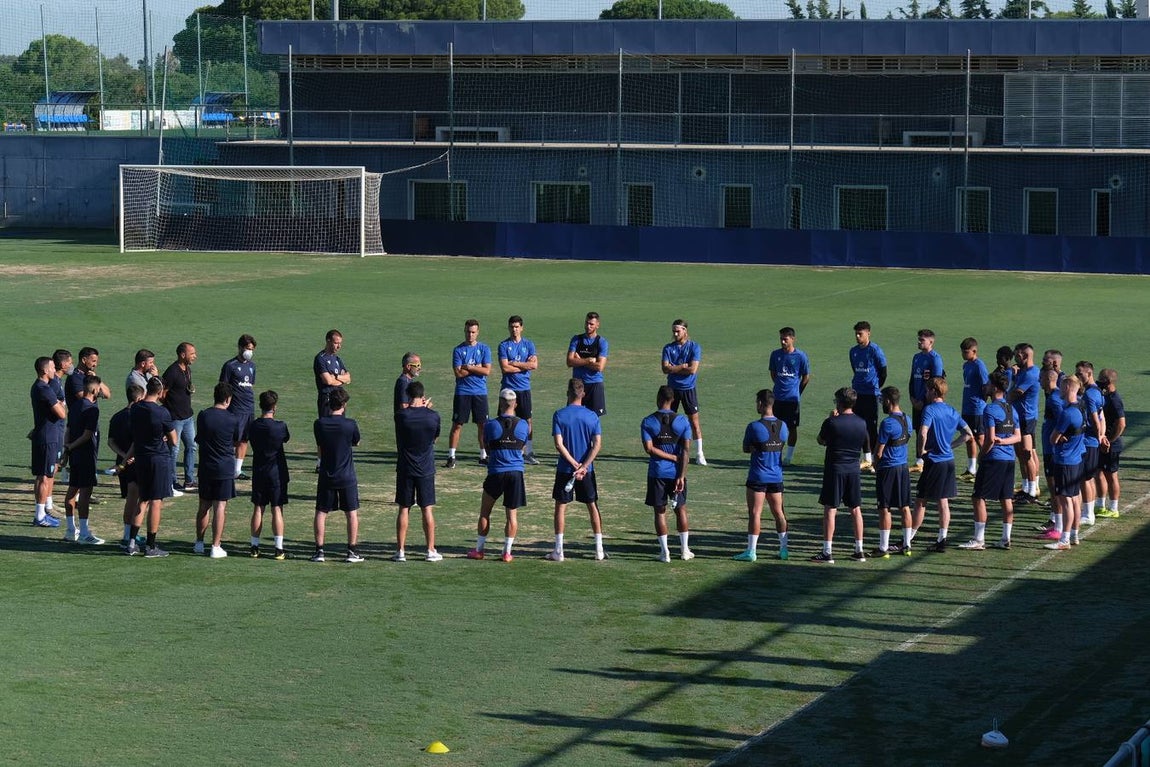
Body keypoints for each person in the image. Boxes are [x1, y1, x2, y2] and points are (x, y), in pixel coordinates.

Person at [466, 389, 531, 562]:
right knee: (512, 516)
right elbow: (523, 447)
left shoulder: (490, 425)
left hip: (496, 473)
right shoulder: (524, 425)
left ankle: (479, 549)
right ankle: (507, 552)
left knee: (485, 512)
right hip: (516, 473)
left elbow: (487, 447)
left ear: (500, 403)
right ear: (515, 404)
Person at [959, 371, 1021, 551]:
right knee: (1006, 498)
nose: (984, 386)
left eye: (987, 384)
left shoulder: (990, 409)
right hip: (1009, 459)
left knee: (978, 497)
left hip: (994, 459)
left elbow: (991, 438)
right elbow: (1017, 437)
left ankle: (979, 539)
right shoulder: (1011, 409)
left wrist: (982, 455)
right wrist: (1004, 441)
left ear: (994, 388)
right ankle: (1005, 538)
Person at [911, 378, 973, 553]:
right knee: (943, 501)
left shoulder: (929, 410)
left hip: (934, 461)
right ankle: (942, 539)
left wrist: (921, 450)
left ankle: (908, 537)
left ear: (933, 391)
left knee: (921, 500)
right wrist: (950, 446)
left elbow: (923, 432)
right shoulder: (952, 411)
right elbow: (968, 434)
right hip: (948, 461)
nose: (925, 393)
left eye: (927, 390)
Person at [548, 378, 607, 562]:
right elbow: (597, 445)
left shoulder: (559, 415)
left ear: (568, 393)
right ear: (583, 394)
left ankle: (559, 551)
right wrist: (584, 466)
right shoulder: (592, 417)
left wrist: (574, 464)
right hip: (586, 471)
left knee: (561, 507)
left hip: (566, 469)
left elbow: (559, 444)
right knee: (592, 506)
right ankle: (599, 550)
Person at [812, 387, 868, 563]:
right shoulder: (862, 423)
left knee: (830, 509)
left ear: (839, 403)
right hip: (853, 469)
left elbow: (821, 440)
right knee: (856, 509)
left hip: (835, 469)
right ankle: (859, 550)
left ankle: (827, 551)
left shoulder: (832, 423)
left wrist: (830, 419)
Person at [640, 385, 693, 563]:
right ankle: (685, 550)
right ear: (672, 401)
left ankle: (665, 553)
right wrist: (681, 475)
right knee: (681, 509)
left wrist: (668, 456)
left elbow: (649, 449)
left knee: (660, 512)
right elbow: (686, 451)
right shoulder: (683, 421)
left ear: (658, 399)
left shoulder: (648, 422)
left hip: (657, 473)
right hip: (677, 473)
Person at [735, 389, 789, 562]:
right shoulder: (783, 426)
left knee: (755, 513)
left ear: (760, 403)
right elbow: (781, 444)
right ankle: (784, 549)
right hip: (776, 476)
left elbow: (746, 448)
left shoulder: (754, 426)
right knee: (779, 513)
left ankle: (751, 551)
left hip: (758, 476)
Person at [312, 388, 364, 563]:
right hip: (347, 475)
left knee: (321, 512)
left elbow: (320, 444)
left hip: (327, 474)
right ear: (344, 405)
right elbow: (356, 441)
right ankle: (351, 551)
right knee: (351, 513)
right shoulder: (350, 424)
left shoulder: (319, 424)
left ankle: (319, 551)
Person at [128, 377, 178, 557]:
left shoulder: (135, 408)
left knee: (142, 499)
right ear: (160, 391)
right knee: (156, 501)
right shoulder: (162, 412)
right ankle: (150, 545)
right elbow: (174, 439)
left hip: (141, 457)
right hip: (158, 458)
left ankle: (132, 542)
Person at [393, 380, 442, 562]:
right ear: (423, 396)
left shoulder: (401, 416)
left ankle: (400, 551)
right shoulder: (433, 416)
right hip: (426, 468)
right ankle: (430, 550)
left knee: (403, 509)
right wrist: (426, 409)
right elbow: (434, 438)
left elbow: (405, 416)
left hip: (405, 467)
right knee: (427, 510)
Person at [193, 382, 242, 559]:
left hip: (206, 467)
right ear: (228, 399)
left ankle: (199, 542)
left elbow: (199, 439)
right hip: (224, 468)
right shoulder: (233, 419)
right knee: (220, 507)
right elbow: (236, 442)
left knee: (203, 506)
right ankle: (215, 545)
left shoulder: (203, 416)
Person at [62, 375, 105, 545]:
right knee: (85, 495)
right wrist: (71, 447)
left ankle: (70, 530)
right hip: (86, 455)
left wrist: (67, 448)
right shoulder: (92, 409)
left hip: (75, 456)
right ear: (94, 389)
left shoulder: (75, 406)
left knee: (72, 492)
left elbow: (69, 429)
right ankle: (84, 533)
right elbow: (87, 435)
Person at [249, 390, 291, 560]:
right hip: (277, 473)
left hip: (259, 471)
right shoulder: (280, 426)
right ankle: (278, 548)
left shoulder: (253, 425)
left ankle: (254, 546)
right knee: (277, 509)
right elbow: (285, 438)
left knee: (258, 508)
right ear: (274, 407)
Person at [1046, 375, 1086, 551]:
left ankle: (1064, 539)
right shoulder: (1081, 407)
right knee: (1075, 498)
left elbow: (1053, 439)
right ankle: (1074, 534)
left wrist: (1059, 437)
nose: (1059, 389)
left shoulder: (1067, 413)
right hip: (1077, 459)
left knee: (1065, 501)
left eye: (1062, 386)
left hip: (1065, 460)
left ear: (1069, 386)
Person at [872, 386, 913, 558]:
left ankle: (883, 547)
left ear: (888, 401)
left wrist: (874, 462)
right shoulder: (907, 419)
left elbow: (879, 451)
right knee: (904, 507)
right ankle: (907, 545)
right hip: (903, 468)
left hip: (888, 469)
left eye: (882, 400)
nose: (881, 403)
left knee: (885, 507)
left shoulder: (887, 423)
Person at [446, 319, 492, 468]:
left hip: (480, 392)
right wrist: (476, 367)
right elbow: (458, 373)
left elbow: (487, 370)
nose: (470, 335)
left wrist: (468, 367)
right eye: (468, 332)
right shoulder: (458, 350)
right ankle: (451, 456)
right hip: (462, 392)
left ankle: (483, 455)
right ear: (464, 331)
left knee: (482, 425)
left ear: (477, 332)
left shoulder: (484, 349)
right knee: (457, 424)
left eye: (473, 332)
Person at [662, 319, 706, 466]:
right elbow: (664, 369)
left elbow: (692, 369)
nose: (675, 333)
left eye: (678, 331)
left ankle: (699, 454)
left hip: (688, 389)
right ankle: (669, 451)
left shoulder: (694, 347)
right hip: (672, 390)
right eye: (673, 331)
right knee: (668, 421)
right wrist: (682, 366)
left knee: (694, 422)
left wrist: (674, 368)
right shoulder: (668, 348)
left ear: (685, 331)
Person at [30, 356, 66, 528]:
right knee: (45, 477)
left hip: (42, 436)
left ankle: (41, 513)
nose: (54, 370)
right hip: (48, 438)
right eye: (52, 368)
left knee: (41, 476)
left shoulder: (37, 387)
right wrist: (60, 404)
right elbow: (62, 413)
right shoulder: (44, 389)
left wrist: (59, 403)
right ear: (45, 370)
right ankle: (39, 517)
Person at [499, 315, 540, 465]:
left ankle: (528, 452)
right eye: (512, 327)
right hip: (508, 389)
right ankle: (504, 450)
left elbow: (534, 365)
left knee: (527, 420)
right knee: (505, 420)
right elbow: (504, 367)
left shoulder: (529, 345)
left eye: (517, 327)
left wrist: (515, 363)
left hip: (524, 388)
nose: (514, 330)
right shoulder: (503, 345)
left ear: (521, 328)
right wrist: (524, 365)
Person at [108, 384, 144, 550]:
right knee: (136, 500)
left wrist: (122, 456)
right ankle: (129, 536)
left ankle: (129, 533)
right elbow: (138, 441)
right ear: (138, 398)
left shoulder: (116, 417)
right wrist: (129, 456)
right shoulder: (138, 417)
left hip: (123, 463)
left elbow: (110, 442)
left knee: (130, 499)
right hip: (136, 462)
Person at [769, 326, 811, 466]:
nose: (782, 342)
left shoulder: (800, 356)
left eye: (785, 339)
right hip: (778, 398)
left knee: (792, 428)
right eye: (781, 339)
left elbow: (806, 377)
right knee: (775, 427)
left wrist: (797, 391)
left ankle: (788, 457)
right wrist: (780, 386)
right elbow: (773, 374)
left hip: (792, 400)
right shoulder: (775, 354)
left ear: (792, 339)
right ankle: (776, 455)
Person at [850, 321, 887, 471]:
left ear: (868, 333)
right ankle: (866, 458)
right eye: (856, 334)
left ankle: (875, 461)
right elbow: (855, 369)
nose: (858, 337)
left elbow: (883, 372)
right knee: (858, 426)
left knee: (871, 427)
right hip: (857, 393)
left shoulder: (875, 350)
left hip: (871, 394)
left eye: (861, 334)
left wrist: (876, 387)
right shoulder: (853, 351)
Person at [161, 342, 198, 494]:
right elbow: (161, 393)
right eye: (192, 353)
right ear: (183, 355)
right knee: (173, 450)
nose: (195, 356)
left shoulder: (187, 369)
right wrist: (170, 407)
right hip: (175, 418)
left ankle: (189, 480)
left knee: (192, 446)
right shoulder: (172, 372)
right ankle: (172, 481)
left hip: (188, 417)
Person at [220, 334, 257, 479]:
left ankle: (237, 470)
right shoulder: (230, 366)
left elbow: (251, 385)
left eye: (252, 349)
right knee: (232, 439)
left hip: (249, 408)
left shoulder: (252, 366)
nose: (250, 351)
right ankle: (227, 467)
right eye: (248, 348)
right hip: (235, 408)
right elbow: (223, 387)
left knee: (244, 439)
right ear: (240, 347)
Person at [908, 329, 945, 472]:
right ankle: (919, 461)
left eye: (922, 340)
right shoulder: (916, 357)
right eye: (918, 339)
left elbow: (936, 384)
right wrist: (912, 398)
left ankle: (929, 460)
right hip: (916, 401)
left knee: (927, 432)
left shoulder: (935, 359)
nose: (919, 342)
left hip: (927, 403)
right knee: (918, 429)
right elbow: (912, 379)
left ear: (931, 342)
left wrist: (923, 401)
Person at [1009, 343, 1041, 505]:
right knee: (1021, 454)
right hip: (1020, 417)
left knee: (1027, 454)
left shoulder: (1031, 373)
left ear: (1024, 355)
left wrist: (1002, 399)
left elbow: (1016, 393)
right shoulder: (1024, 372)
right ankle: (1027, 487)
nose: (1015, 359)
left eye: (1016, 356)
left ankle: (1032, 491)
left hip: (1026, 418)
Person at [1075, 361, 1106, 526]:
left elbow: (1095, 418)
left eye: (1080, 374)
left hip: (1088, 441)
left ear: (1089, 374)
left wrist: (1098, 435)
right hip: (1093, 441)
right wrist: (1101, 435)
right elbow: (1102, 417)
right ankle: (1090, 511)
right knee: (1089, 478)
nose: (1077, 376)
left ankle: (1087, 514)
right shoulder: (1097, 392)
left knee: (1084, 479)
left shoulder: (1088, 395)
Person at [567, 311, 609, 416]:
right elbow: (569, 361)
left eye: (591, 324)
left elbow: (600, 367)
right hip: (578, 385)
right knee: (574, 415)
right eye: (586, 323)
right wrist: (588, 360)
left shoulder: (602, 342)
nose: (588, 326)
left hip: (594, 384)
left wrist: (579, 360)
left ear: (597, 325)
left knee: (594, 418)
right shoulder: (576, 339)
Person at [1096, 368, 1125, 519]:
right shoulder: (1106, 396)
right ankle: (1100, 505)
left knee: (1111, 475)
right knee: (1099, 473)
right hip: (1103, 443)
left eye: (1100, 380)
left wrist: (1111, 440)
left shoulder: (1114, 399)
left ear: (1107, 382)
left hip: (1111, 444)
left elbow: (1121, 423)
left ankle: (1114, 507)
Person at [958, 337, 988, 481]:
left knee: (981, 439)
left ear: (974, 351)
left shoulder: (979, 365)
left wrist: (981, 402)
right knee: (968, 437)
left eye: (966, 352)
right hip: (967, 407)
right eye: (962, 352)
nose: (963, 354)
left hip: (977, 409)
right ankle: (971, 469)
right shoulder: (966, 365)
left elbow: (985, 386)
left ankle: (987, 468)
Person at [314, 329, 351, 417]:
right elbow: (328, 381)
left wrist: (335, 376)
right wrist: (341, 380)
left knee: (341, 426)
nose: (339, 346)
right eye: (336, 343)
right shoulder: (320, 359)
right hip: (327, 399)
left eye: (340, 343)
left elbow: (348, 378)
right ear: (328, 341)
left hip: (340, 399)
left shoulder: (337, 359)